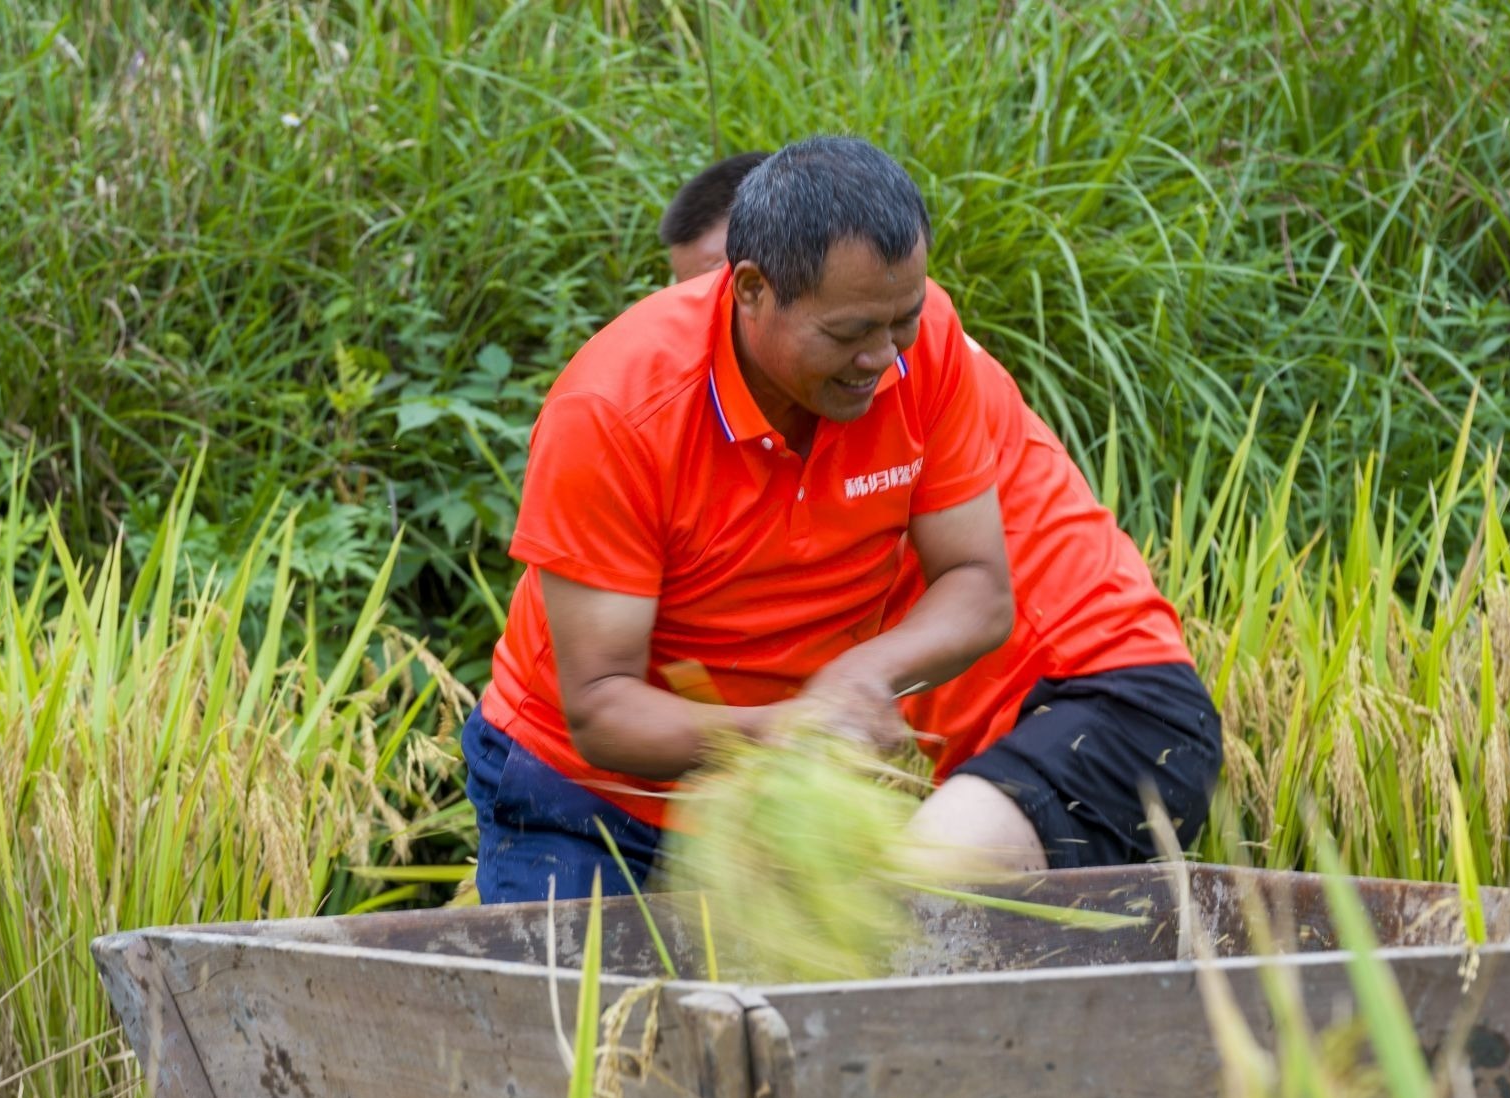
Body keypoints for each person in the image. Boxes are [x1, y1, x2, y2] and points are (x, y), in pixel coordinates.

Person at [464, 137, 1014, 903]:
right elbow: (601, 707)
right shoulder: (616, 411)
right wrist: (789, 730)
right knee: (579, 1020)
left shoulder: (925, 347)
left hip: (784, 802)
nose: (884, 358)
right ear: (751, 289)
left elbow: (979, 585)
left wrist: (858, 679)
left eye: (902, 321)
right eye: (849, 333)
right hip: (586, 798)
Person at [661, 152, 1223, 874]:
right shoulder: (750, 405)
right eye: (687, 294)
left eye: (718, 285)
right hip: (993, 754)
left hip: (1106, 705)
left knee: (886, 923)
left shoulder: (893, 377)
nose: (711, 319)